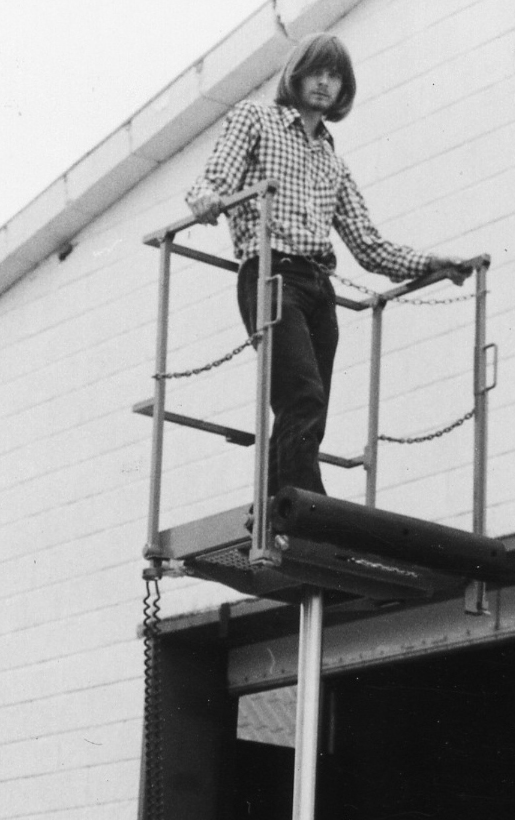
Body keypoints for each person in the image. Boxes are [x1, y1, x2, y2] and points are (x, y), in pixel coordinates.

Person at [186, 34, 476, 502]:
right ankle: (304, 499)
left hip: (318, 286)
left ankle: (277, 504)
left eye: (335, 76)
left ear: (344, 89)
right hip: (270, 274)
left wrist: (433, 262)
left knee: (309, 406)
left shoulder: (333, 164)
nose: (324, 83)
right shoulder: (256, 117)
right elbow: (215, 177)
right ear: (296, 76)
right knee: (301, 393)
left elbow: (369, 245)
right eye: (317, 72)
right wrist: (204, 199)